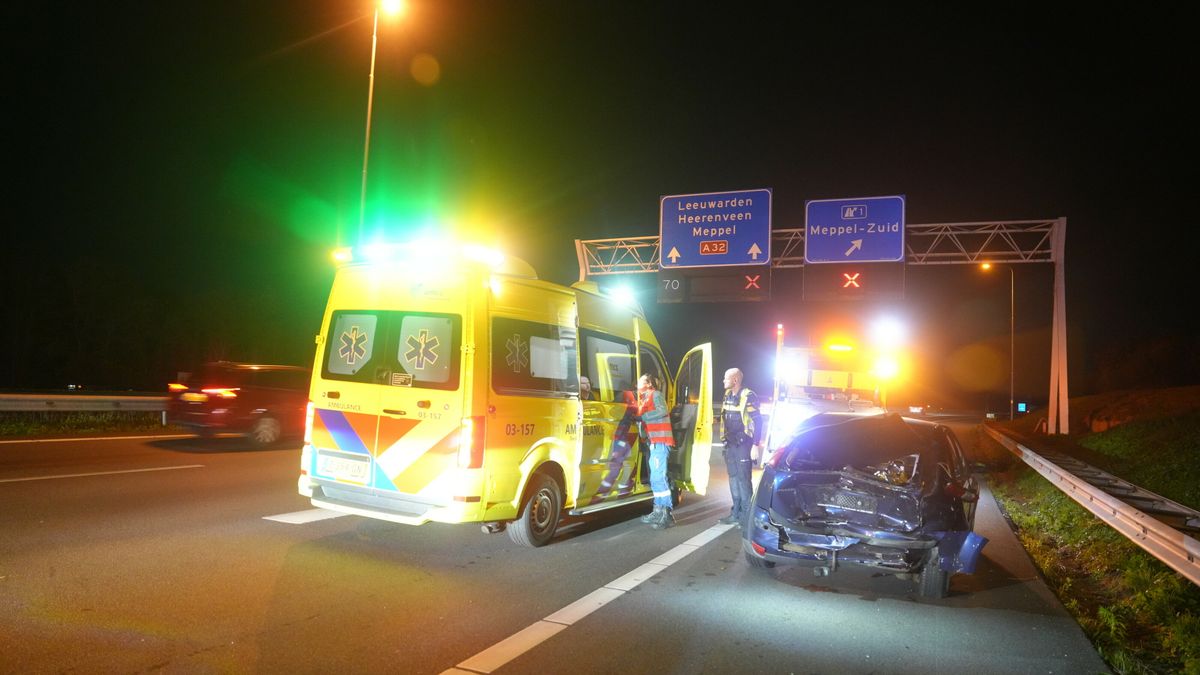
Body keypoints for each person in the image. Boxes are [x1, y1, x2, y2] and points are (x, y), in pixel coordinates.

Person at [719, 367, 762, 527]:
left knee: (744, 480)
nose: (723, 381)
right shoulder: (727, 395)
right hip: (730, 444)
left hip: (744, 444)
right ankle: (735, 513)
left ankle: (746, 517)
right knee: (733, 478)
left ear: (735, 380)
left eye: (726, 378)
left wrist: (755, 445)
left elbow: (758, 421)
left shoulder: (748, 396)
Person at [635, 373, 675, 529]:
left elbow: (663, 410)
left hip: (661, 442)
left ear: (649, 383)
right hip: (654, 443)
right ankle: (657, 510)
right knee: (655, 479)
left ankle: (667, 513)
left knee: (659, 477)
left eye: (640, 382)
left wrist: (643, 417)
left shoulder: (655, 394)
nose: (637, 384)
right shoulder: (645, 399)